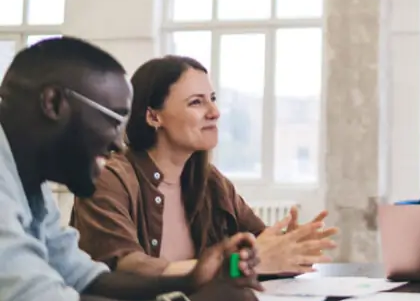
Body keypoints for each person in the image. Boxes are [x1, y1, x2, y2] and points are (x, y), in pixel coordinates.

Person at [0, 37, 263, 301]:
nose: (117, 143)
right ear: (53, 103)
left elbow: (86, 280)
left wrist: (193, 279)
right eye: (113, 120)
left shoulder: (29, 184)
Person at [71, 55, 337, 277]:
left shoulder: (211, 181)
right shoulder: (109, 178)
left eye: (213, 98)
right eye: (196, 102)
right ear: (153, 116)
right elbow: (124, 269)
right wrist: (246, 262)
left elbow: (260, 250)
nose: (215, 112)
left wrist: (288, 250)